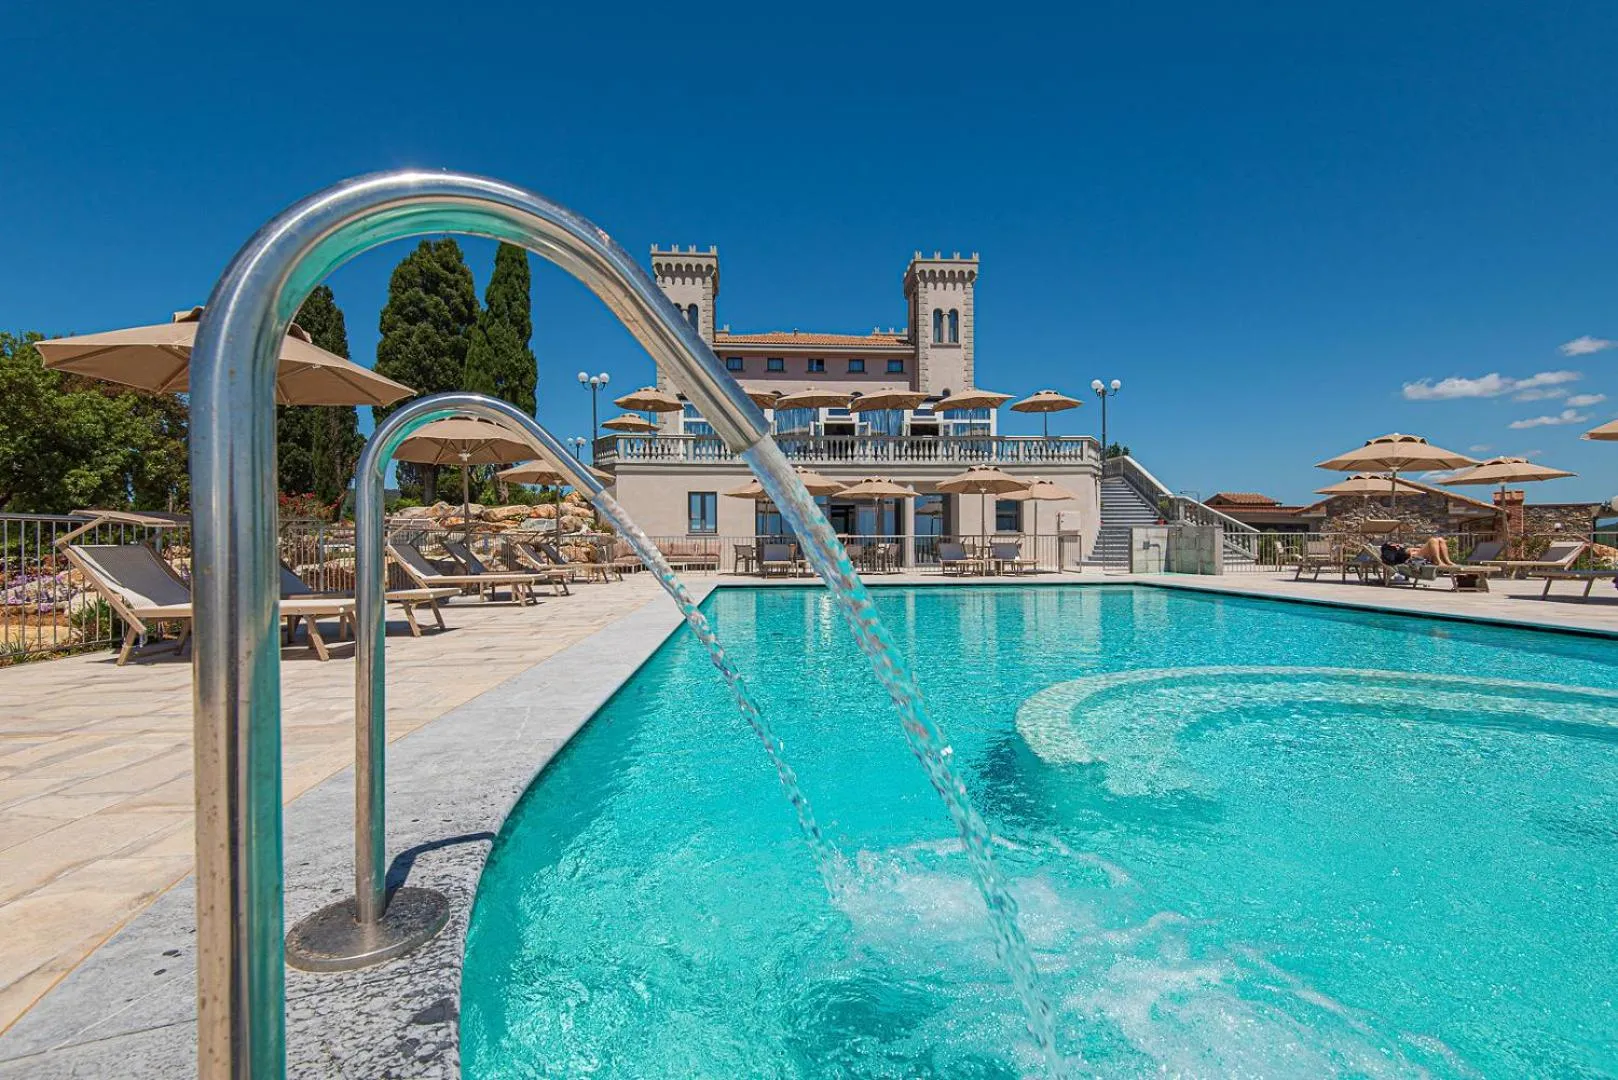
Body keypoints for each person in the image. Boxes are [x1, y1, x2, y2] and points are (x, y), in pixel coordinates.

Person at [1380, 537, 1456, 567]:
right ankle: (1439, 562)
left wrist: (1414, 550)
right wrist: (1410, 553)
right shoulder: (1390, 553)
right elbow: (1392, 560)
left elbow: (1414, 550)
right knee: (1432, 540)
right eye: (1392, 544)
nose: (1396, 544)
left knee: (1440, 539)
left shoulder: (1401, 548)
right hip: (1414, 559)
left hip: (1419, 555)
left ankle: (1448, 561)